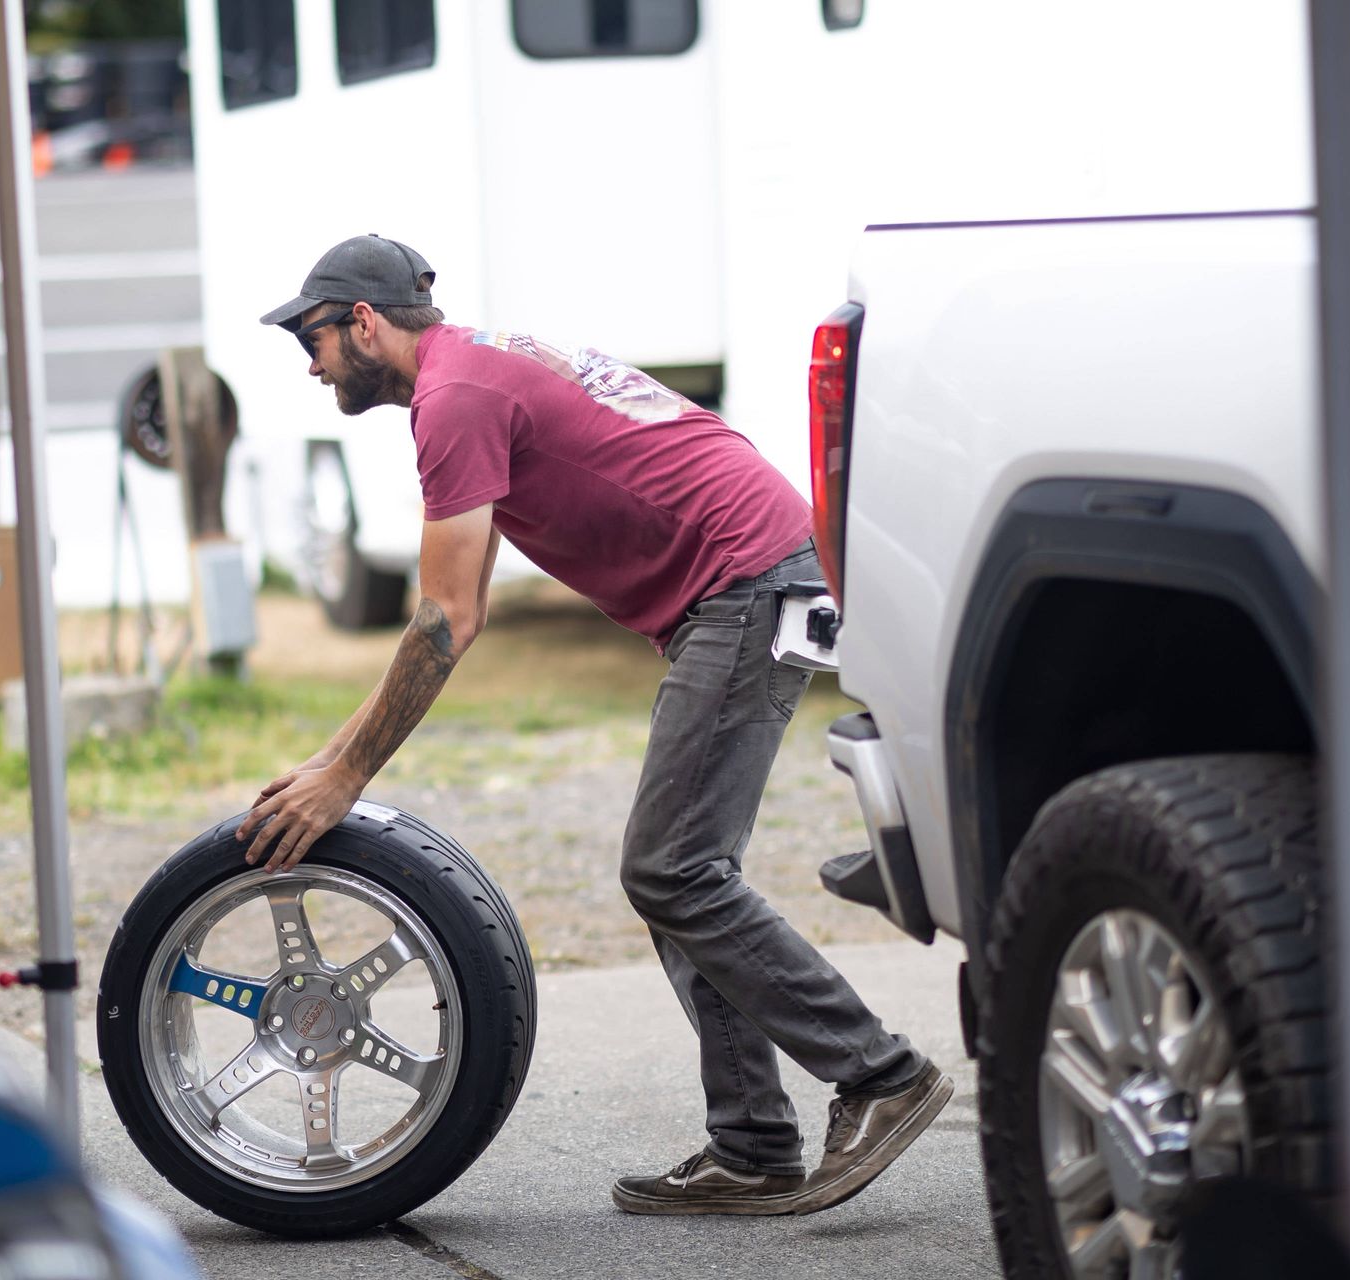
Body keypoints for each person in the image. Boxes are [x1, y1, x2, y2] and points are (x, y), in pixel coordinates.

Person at [235, 234, 950, 1216]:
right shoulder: (473, 369)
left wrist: (346, 776)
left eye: (311, 336)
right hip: (746, 574)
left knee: (673, 867)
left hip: (746, 578)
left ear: (364, 320)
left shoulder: (455, 400)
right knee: (681, 870)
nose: (309, 362)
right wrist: (333, 757)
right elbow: (464, 607)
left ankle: (880, 1073)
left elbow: (443, 619)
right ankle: (752, 1143)